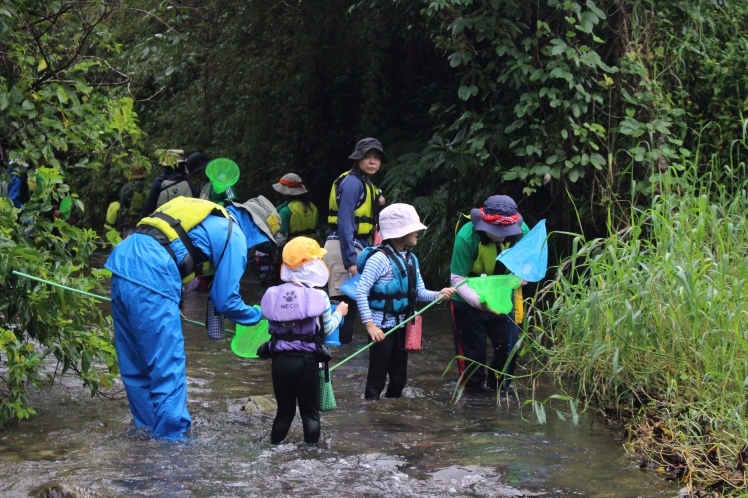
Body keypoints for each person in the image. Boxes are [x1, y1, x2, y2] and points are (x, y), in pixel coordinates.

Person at [105, 195, 279, 440]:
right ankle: (172, 443)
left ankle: (144, 435)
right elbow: (226, 300)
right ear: (257, 227)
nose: (257, 247)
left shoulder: (206, 214)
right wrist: (262, 315)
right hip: (154, 273)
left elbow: (175, 245)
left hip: (122, 261)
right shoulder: (236, 235)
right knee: (168, 365)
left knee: (135, 365)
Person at [355, 204, 455, 400]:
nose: (418, 232)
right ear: (400, 232)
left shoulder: (412, 259)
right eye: (414, 228)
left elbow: (418, 292)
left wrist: (438, 295)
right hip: (381, 328)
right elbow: (361, 291)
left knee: (399, 378)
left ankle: (392, 418)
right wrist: (370, 326)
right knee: (377, 379)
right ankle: (372, 417)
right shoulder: (379, 259)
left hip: (402, 325)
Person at [261, 237, 348, 444]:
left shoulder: (273, 294)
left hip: (279, 362)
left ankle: (272, 452)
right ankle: (311, 459)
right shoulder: (319, 296)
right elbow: (327, 329)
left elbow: (270, 328)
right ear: (312, 265)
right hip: (307, 362)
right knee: (310, 414)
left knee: (284, 414)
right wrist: (341, 313)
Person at [449, 195, 528, 393]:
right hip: (468, 302)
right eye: (496, 232)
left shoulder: (522, 232)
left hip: (502, 299)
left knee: (508, 351)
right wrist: (480, 302)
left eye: (506, 232)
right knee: (473, 359)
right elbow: (458, 280)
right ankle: (474, 402)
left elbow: (528, 267)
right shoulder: (467, 236)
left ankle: (499, 393)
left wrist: (521, 278)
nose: (501, 236)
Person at [323, 138, 386, 343]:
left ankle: (341, 357)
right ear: (358, 159)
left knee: (349, 307)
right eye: (367, 157)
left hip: (353, 246)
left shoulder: (365, 184)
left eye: (376, 158)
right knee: (343, 307)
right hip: (343, 247)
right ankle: (337, 358)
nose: (372, 162)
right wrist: (350, 259)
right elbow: (346, 221)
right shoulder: (352, 182)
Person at [139, 149, 197, 217]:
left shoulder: (159, 183)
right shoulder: (189, 183)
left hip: (163, 224)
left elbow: (149, 207)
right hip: (186, 224)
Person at [116, 164, 147, 236]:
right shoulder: (148, 188)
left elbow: (122, 210)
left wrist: (120, 229)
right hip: (145, 225)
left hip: (129, 224)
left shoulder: (126, 189)